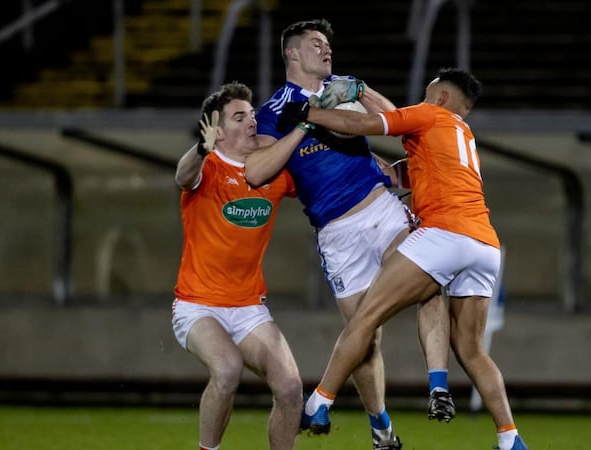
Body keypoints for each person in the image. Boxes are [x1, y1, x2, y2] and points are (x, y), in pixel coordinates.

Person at [281, 67, 530, 450]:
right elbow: (408, 175)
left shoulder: (430, 114)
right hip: (484, 246)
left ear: (442, 97)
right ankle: (509, 437)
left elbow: (362, 124)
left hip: (444, 235)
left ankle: (319, 403)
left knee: (365, 318)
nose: (422, 98)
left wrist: (308, 115)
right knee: (472, 349)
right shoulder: (462, 136)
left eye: (428, 92)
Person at [245, 19, 454, 449]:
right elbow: (257, 171)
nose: (327, 50)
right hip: (336, 233)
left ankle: (438, 386)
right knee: (365, 336)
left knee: (430, 278)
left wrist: (360, 91)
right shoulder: (272, 111)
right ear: (292, 54)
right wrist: (304, 125)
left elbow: (400, 122)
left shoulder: (342, 89)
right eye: (317, 44)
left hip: (381, 211)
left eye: (328, 45)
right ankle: (382, 430)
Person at [171, 81, 309, 450]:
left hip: (248, 308)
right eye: (239, 117)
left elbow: (322, 181)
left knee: (292, 388)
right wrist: (199, 150)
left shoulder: (273, 172)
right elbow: (183, 176)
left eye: (251, 114)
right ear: (217, 133)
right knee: (228, 368)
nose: (251, 122)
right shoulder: (208, 167)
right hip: (198, 307)